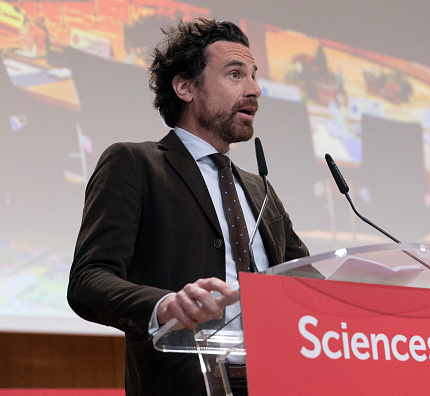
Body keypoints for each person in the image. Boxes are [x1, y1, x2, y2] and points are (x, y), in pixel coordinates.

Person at [67, 18, 309, 396]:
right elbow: (88, 280)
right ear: (184, 87)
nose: (255, 90)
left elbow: (304, 282)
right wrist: (164, 306)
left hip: (279, 380)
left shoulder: (260, 189)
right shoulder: (135, 164)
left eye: (254, 76)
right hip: (183, 382)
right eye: (235, 74)